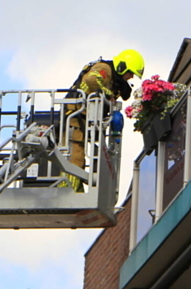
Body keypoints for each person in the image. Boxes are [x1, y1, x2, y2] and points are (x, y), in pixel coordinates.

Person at [62, 49, 145, 191]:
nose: (130, 77)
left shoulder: (113, 79)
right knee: (76, 157)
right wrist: (108, 95)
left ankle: (75, 191)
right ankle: (66, 191)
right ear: (122, 66)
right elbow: (91, 80)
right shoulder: (104, 68)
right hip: (75, 115)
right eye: (130, 72)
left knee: (79, 158)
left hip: (84, 117)